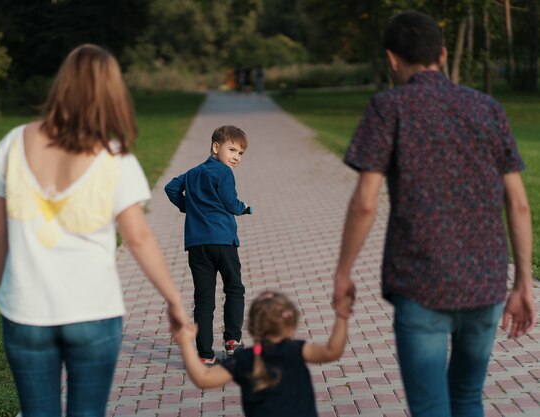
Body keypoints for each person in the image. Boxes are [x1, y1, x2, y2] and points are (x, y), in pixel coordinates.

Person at [332, 11, 535, 417]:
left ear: (392, 59)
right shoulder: (487, 108)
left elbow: (365, 202)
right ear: (442, 55)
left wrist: (343, 272)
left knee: (430, 408)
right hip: (486, 283)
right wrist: (524, 283)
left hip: (420, 282)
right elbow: (519, 202)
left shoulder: (388, 107)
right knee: (467, 398)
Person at [0, 44, 188, 417]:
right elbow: (138, 238)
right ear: (110, 93)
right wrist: (173, 299)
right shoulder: (114, 155)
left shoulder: (13, 142)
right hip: (93, 312)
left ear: (62, 85)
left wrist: (8, 289)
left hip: (25, 313)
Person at [174, 290, 354, 417]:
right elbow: (332, 351)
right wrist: (342, 315)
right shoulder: (297, 350)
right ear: (291, 327)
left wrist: (185, 343)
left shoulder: (243, 360)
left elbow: (203, 378)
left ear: (253, 328)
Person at [165, 125, 252, 365]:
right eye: (232, 149)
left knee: (203, 299)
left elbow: (171, 188)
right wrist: (244, 208)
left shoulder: (192, 173)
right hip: (223, 241)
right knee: (234, 288)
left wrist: (187, 206)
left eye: (240, 153)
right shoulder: (224, 173)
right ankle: (232, 341)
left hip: (196, 245)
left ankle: (204, 354)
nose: (236, 157)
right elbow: (230, 202)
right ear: (216, 147)